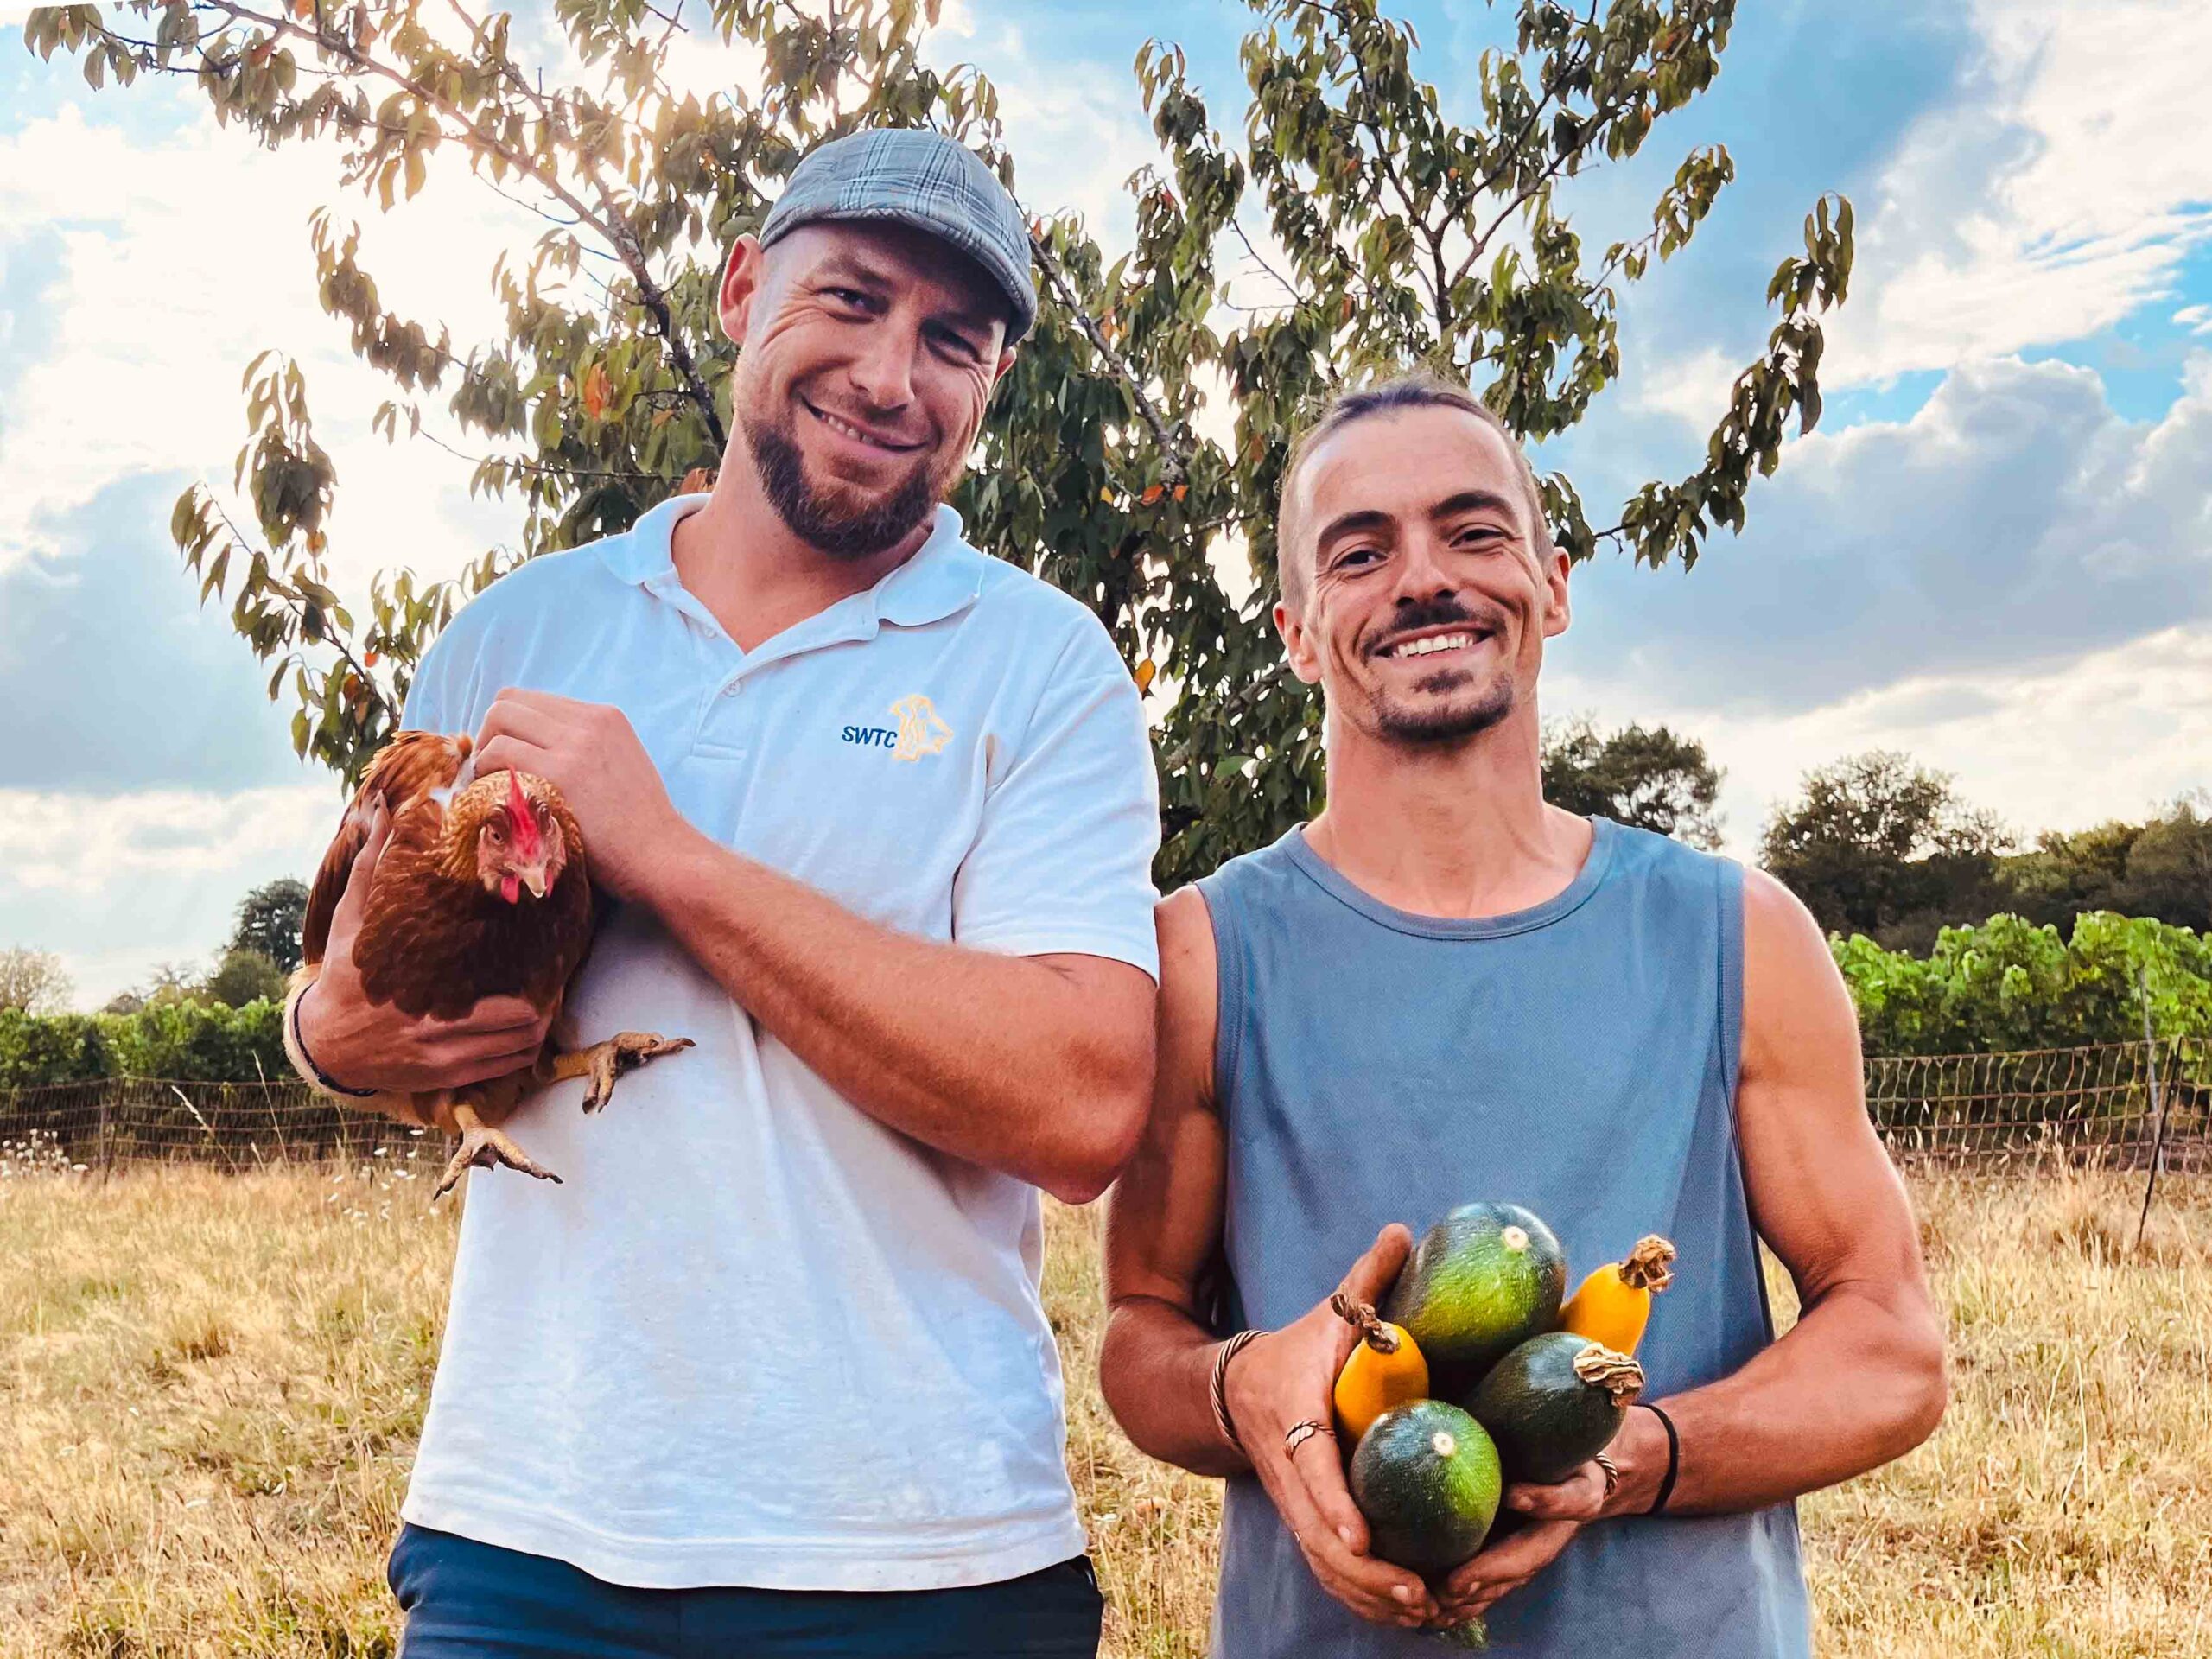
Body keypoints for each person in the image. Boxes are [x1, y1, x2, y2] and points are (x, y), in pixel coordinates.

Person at [288, 128, 1160, 1657]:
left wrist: (669, 855)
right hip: (526, 1530)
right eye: (851, 301)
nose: (894, 376)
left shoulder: (1043, 665)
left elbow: (1081, 1105)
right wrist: (327, 1040)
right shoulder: (520, 629)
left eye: (952, 342)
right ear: (746, 287)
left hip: (923, 1554)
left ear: (992, 388)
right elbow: (352, 974)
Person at [1098, 373, 1947, 1655]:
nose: (1423, 579)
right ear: (1296, 626)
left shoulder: (1737, 935)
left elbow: (1892, 1353)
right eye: (1361, 551)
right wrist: (1240, 1388)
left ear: (1552, 582)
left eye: (1473, 532)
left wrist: (1630, 1457)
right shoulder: (1206, 955)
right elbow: (1136, 1337)